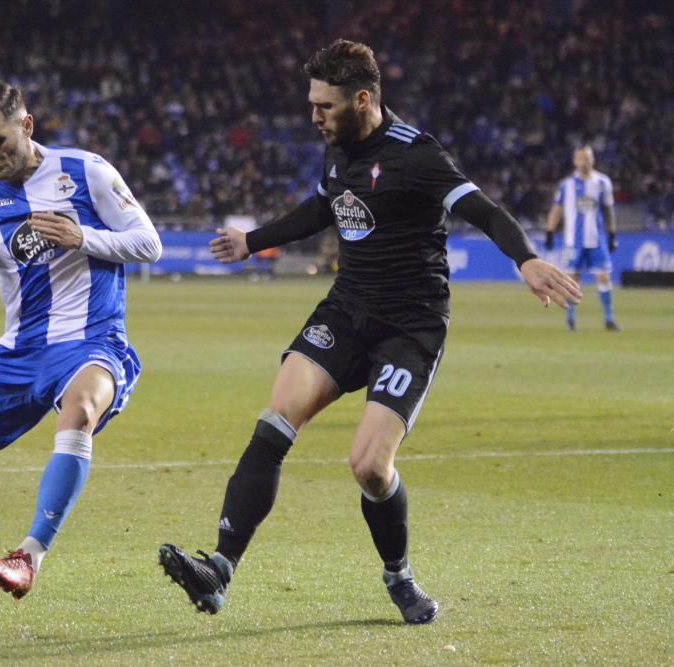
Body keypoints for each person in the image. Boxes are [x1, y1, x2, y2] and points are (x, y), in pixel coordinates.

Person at [158, 39, 581, 625]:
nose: (314, 117)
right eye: (311, 104)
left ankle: (399, 577)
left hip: (410, 326)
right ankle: (220, 569)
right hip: (347, 310)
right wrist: (252, 241)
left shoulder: (418, 155)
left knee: (369, 467)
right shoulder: (338, 151)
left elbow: (482, 210)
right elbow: (322, 207)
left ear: (363, 100)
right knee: (275, 419)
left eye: (324, 106)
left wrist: (526, 258)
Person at [0, 80, 162, 598]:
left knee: (80, 412)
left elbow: (149, 243)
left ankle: (29, 555)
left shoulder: (86, 171)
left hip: (93, 339)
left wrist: (83, 237)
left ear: (25, 126)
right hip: (20, 351)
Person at [545, 146, 620, 331]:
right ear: (575, 161)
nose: (584, 162)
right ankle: (570, 320)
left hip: (597, 240)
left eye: (587, 158)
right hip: (572, 242)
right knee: (571, 281)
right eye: (580, 159)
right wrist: (549, 232)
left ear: (593, 160)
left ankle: (609, 319)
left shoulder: (603, 182)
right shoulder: (566, 185)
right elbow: (557, 209)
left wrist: (611, 234)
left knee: (603, 278)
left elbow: (609, 210)